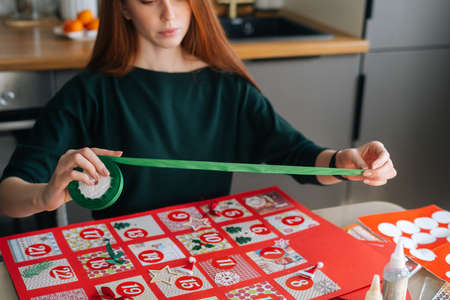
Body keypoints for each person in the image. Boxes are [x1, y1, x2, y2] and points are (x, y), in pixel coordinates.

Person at [0, 0, 396, 220]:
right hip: (119, 263)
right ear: (122, 8)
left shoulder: (229, 89)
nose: (169, 14)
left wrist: (346, 160)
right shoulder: (89, 93)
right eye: (149, 0)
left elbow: (298, 157)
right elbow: (8, 195)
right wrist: (46, 196)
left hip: (207, 252)